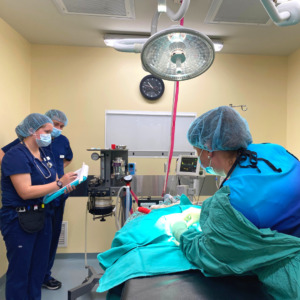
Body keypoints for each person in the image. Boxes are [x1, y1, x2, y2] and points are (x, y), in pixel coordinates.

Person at [0, 113, 77, 300]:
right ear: (31, 130)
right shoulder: (15, 155)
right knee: (20, 273)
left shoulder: (43, 154)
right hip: (19, 220)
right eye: (47, 131)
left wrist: (63, 188)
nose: (50, 136)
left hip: (42, 216)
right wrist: (59, 183)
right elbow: (25, 192)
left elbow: (46, 186)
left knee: (37, 270)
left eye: (52, 132)